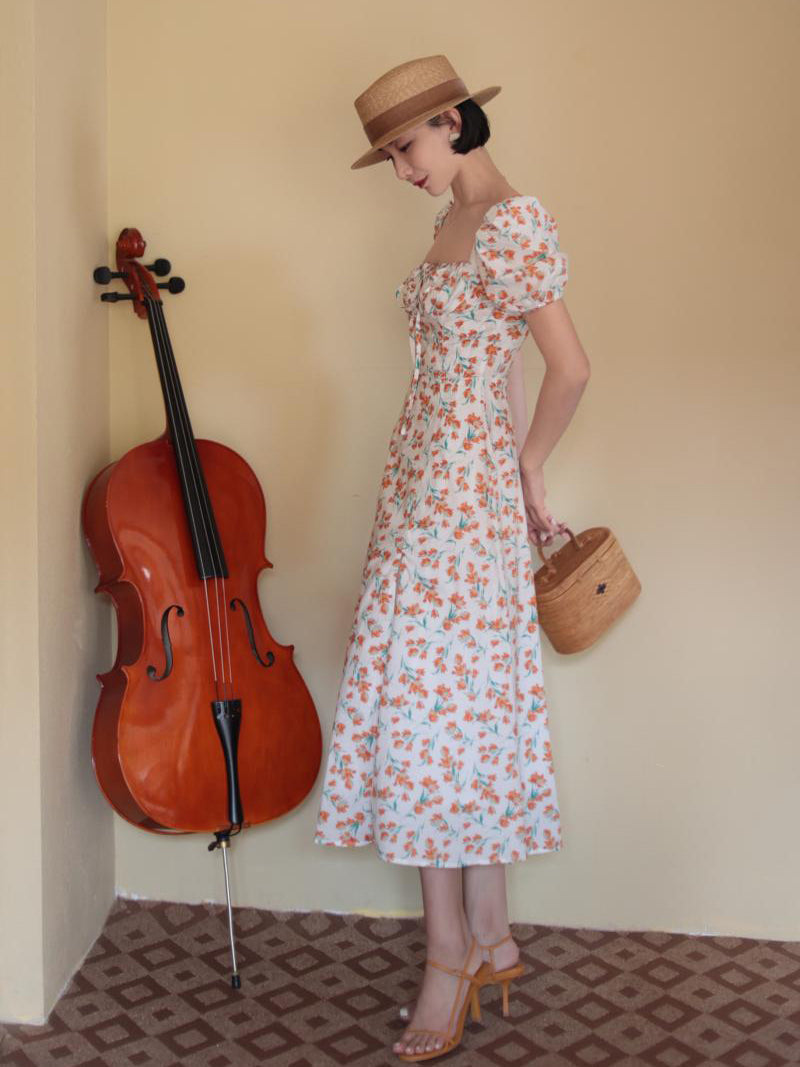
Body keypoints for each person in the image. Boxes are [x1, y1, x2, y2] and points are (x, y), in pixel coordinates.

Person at [313, 55, 591, 1062]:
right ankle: (490, 934)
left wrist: (522, 468)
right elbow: (488, 361)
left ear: (448, 120)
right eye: (389, 154)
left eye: (403, 147)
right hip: (423, 493)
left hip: (458, 501)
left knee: (429, 714)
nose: (400, 169)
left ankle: (448, 956)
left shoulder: (511, 222)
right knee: (450, 709)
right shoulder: (450, 228)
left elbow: (568, 365)